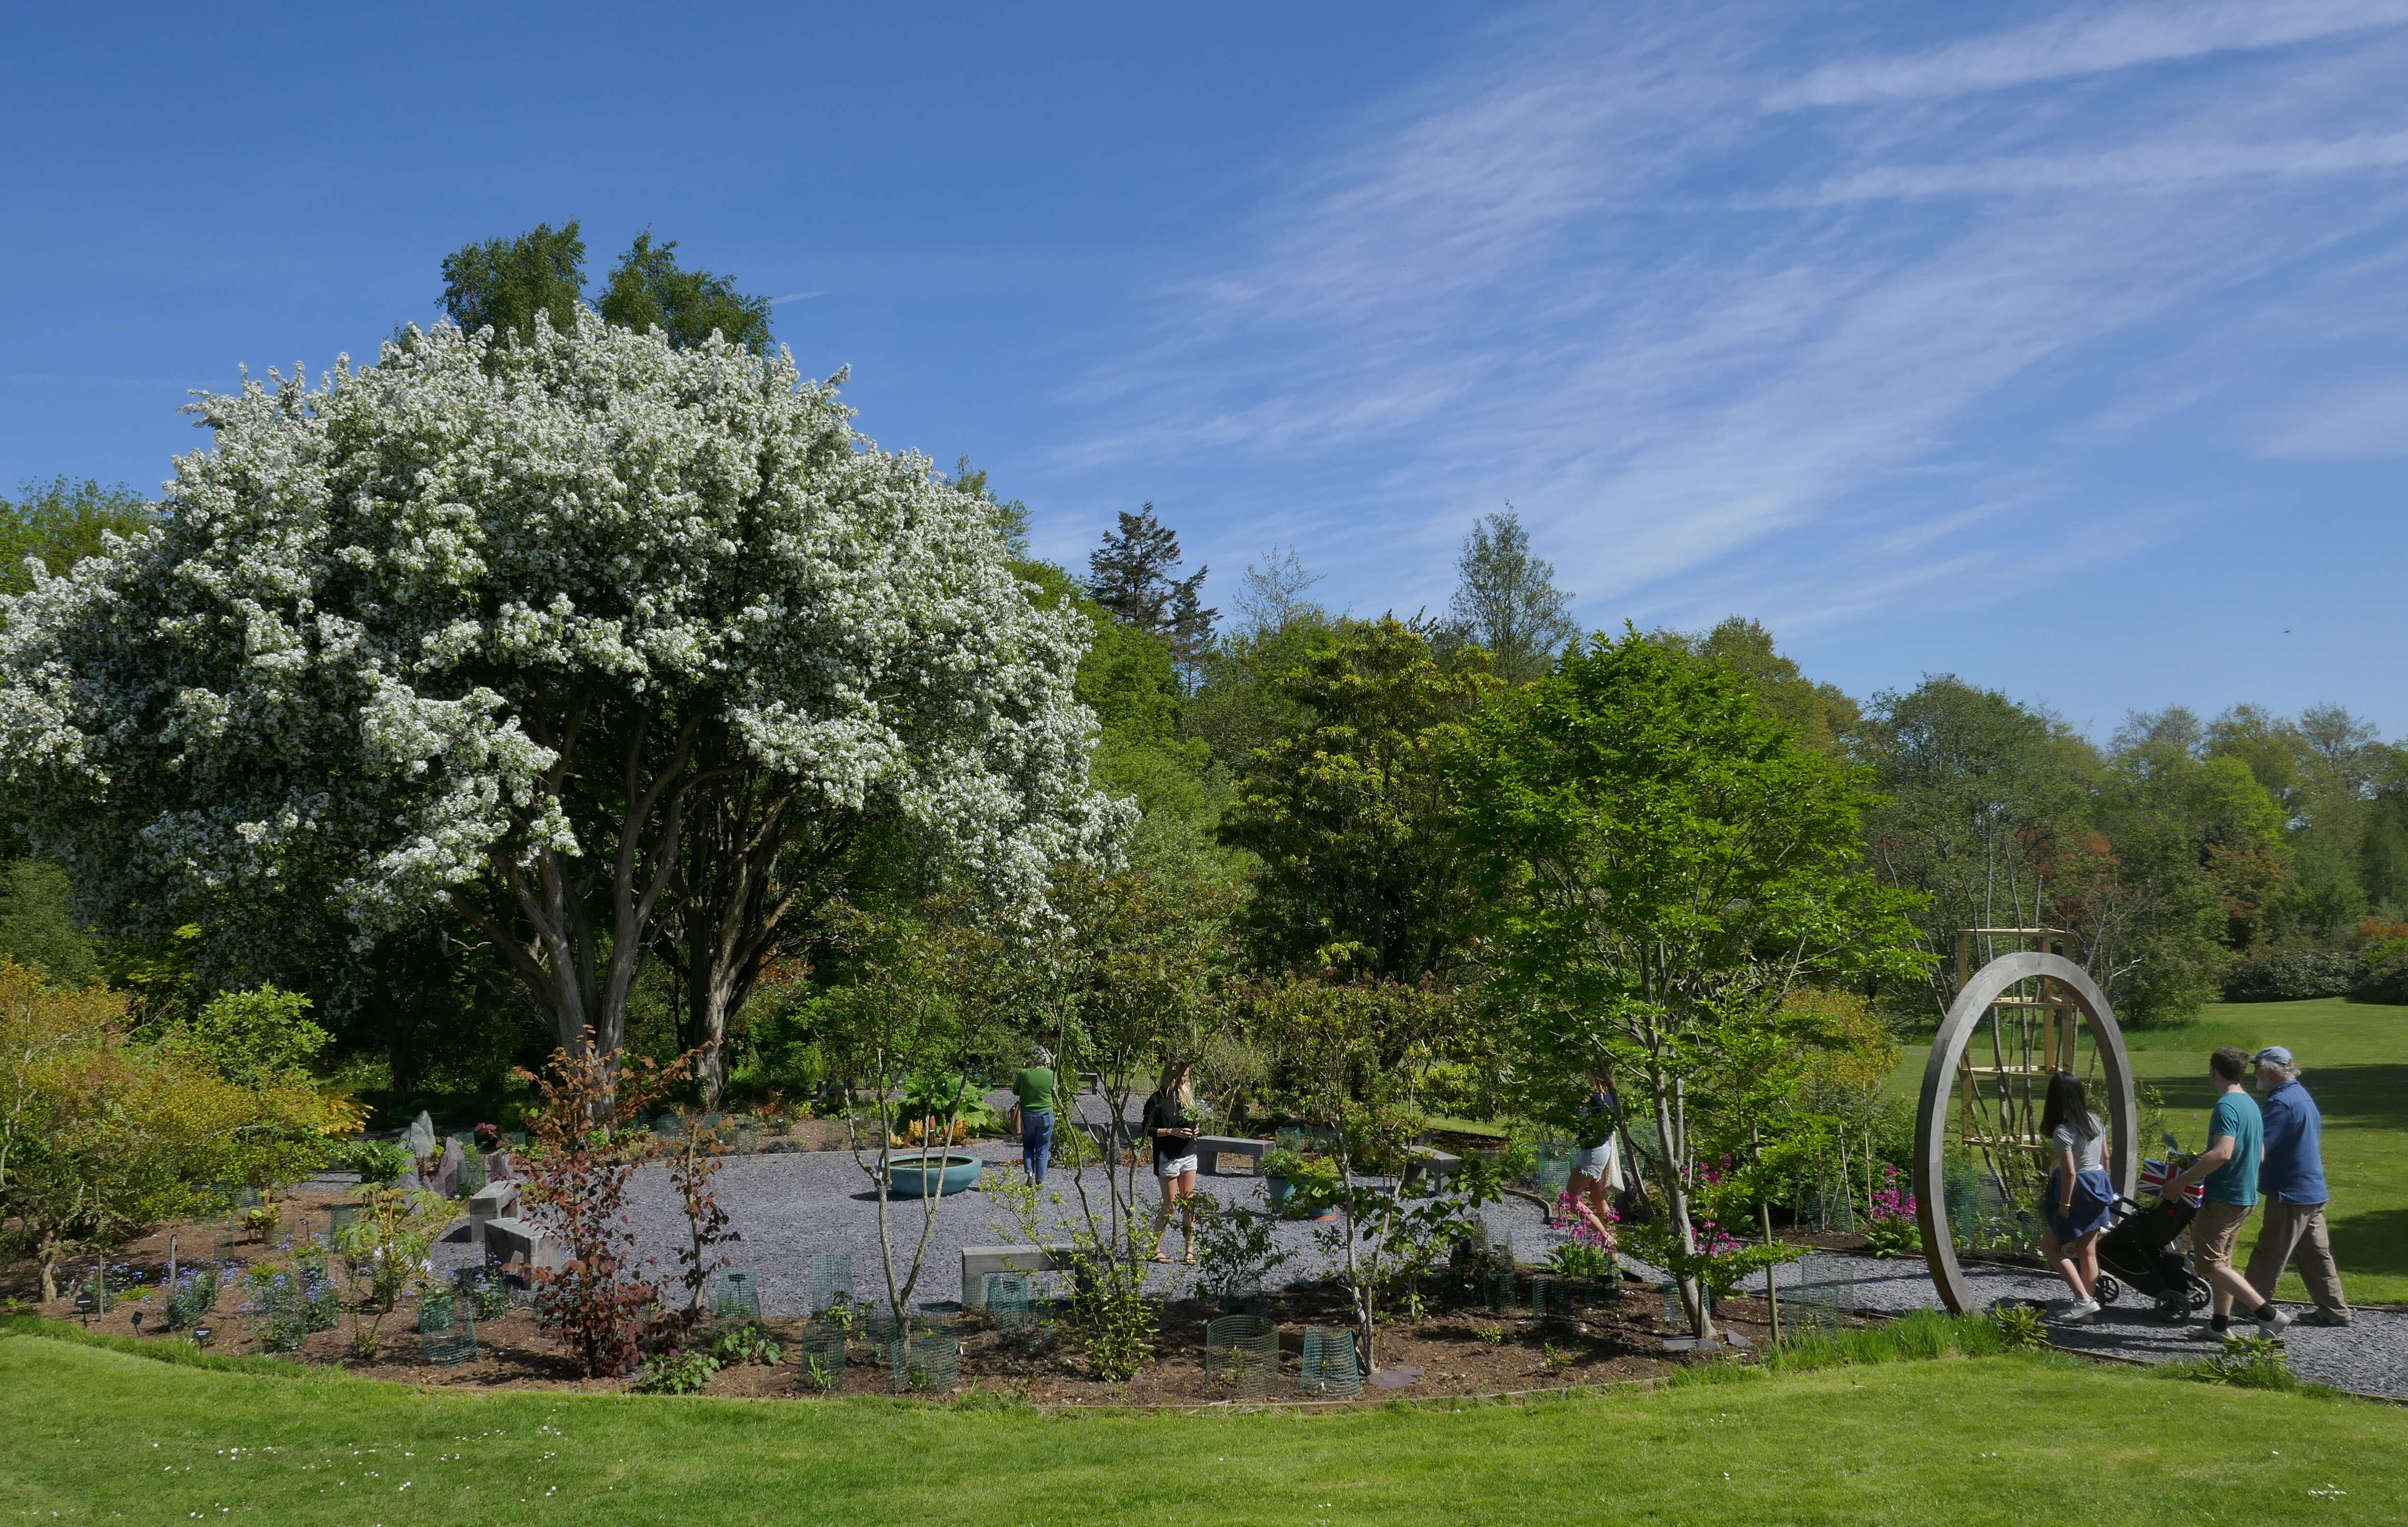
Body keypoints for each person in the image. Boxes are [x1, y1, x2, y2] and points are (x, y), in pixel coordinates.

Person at [2169, 1046, 2291, 1338]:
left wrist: (2180, 1181)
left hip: (2224, 1197)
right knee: (2223, 1262)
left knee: (2209, 1264)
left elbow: (2223, 1153)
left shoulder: (2226, 1106)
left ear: (2214, 1072)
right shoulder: (2250, 1104)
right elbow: (2258, 1153)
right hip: (2245, 1196)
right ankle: (2219, 1326)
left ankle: (2270, 1316)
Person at [2243, 1046, 2351, 1327]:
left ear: (2271, 1069)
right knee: (2316, 1255)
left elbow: (2260, 1149)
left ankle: (2247, 1306)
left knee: (2269, 1251)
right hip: (2312, 1191)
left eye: (2258, 1067)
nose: (2255, 1072)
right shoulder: (2300, 1095)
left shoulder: (2281, 1103)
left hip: (2290, 1192)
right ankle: (2334, 1310)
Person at [2036, 1071, 2113, 1323]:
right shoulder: (2096, 1120)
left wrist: (2065, 1204)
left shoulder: (2063, 1131)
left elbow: (2070, 1172)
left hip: (2077, 1189)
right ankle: (2086, 1310)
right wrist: (2104, 1190)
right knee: (2087, 1251)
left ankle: (2083, 1301)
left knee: (2050, 1247)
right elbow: (2106, 1159)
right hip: (2099, 1185)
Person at [1143, 1057, 1202, 1264]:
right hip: (1168, 1157)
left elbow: (1194, 1121)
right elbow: (1146, 1130)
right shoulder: (1157, 1100)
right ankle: (1154, 1247)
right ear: (1171, 1076)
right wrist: (1172, 1132)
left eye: (1188, 1076)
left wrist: (1195, 1129)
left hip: (1188, 1154)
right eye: (1182, 1077)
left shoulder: (1187, 1096)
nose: (1186, 1081)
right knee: (1171, 1206)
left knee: (1190, 1204)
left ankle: (1190, 1251)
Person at [1565, 1068, 1623, 1252]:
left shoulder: (1599, 1099)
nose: (1585, 1076)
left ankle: (1608, 1238)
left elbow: (1597, 1130)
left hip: (1593, 1151)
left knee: (1571, 1198)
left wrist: (1585, 1137)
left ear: (1595, 1076)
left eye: (1588, 1073)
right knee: (1599, 1199)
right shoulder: (1610, 1097)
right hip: (1601, 1150)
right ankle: (1613, 1251)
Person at [1011, 1045, 1058, 1189]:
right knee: (1043, 1148)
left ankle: (1030, 1174)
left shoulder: (1024, 1073)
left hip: (1028, 1115)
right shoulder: (1052, 1075)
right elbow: (1055, 1094)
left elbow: (1015, 1091)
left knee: (1028, 1145)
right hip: (1046, 1114)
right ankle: (1040, 1180)